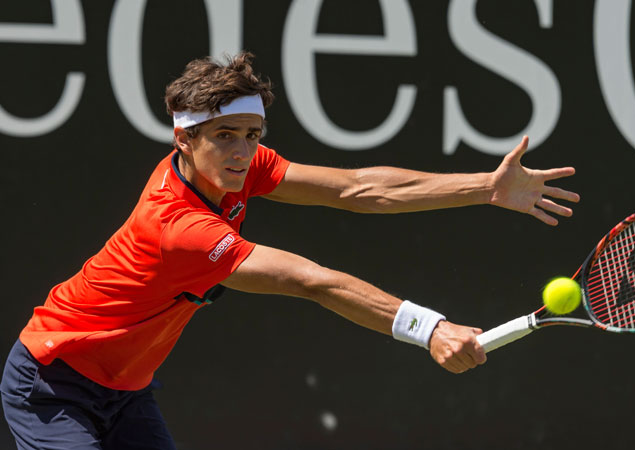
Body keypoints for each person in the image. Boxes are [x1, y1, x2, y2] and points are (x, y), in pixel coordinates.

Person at [0, 52, 579, 449]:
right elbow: (312, 280)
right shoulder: (175, 226)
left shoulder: (236, 169)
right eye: (225, 136)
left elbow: (359, 189)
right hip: (53, 382)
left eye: (252, 136)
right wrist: (429, 329)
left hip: (125, 388)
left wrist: (485, 187)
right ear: (184, 138)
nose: (242, 151)